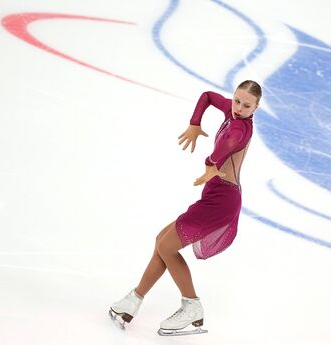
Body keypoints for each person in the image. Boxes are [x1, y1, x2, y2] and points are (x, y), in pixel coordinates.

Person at [109, 80, 262, 336]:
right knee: (162, 240)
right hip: (215, 193)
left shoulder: (241, 127)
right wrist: (195, 122)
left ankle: (191, 306)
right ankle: (132, 301)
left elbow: (229, 142)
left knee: (167, 246)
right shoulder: (231, 111)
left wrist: (210, 162)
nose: (239, 107)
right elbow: (207, 96)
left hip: (222, 200)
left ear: (256, 107)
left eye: (247, 105)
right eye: (237, 100)